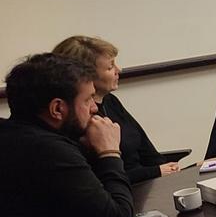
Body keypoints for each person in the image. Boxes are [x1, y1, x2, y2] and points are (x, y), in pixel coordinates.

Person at [0, 54, 134, 217]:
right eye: (88, 99)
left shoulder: (14, 134)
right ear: (57, 108)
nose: (95, 108)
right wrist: (110, 152)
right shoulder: (48, 150)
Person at [50, 36, 180, 184]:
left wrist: (172, 170)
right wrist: (155, 171)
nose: (119, 70)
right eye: (110, 67)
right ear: (85, 75)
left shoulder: (111, 101)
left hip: (148, 184)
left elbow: (148, 152)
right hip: (127, 189)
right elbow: (101, 179)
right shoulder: (76, 119)